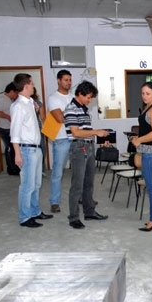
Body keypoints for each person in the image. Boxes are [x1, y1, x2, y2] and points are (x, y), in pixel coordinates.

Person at [64, 81, 110, 229]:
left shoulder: (84, 109)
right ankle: (73, 218)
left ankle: (89, 212)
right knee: (77, 185)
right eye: (89, 97)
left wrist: (97, 137)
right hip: (78, 148)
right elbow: (76, 132)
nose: (90, 100)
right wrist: (96, 132)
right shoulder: (71, 109)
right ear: (80, 94)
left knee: (89, 183)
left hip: (89, 147)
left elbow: (85, 130)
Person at [10, 73, 53, 228]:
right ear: (26, 85)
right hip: (26, 150)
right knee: (27, 186)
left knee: (36, 184)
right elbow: (14, 133)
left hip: (36, 148)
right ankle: (25, 217)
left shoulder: (30, 103)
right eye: (32, 83)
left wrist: (36, 108)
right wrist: (17, 153)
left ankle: (35, 212)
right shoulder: (18, 106)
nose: (34, 86)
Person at [131, 82, 152, 232]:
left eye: (148, 93)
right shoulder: (149, 107)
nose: (145, 96)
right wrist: (137, 137)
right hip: (149, 151)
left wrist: (139, 140)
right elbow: (148, 130)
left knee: (151, 187)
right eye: (143, 93)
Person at [46, 70, 73, 213]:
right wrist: (72, 114)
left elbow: (80, 117)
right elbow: (59, 118)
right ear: (58, 81)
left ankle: (80, 197)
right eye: (66, 80)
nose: (68, 83)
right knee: (57, 172)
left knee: (79, 171)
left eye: (70, 80)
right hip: (61, 139)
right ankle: (54, 201)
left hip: (76, 138)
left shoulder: (74, 97)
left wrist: (66, 112)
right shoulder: (53, 98)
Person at [0, 82, 20, 175]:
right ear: (11, 91)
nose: (16, 95)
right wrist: (8, 116)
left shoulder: (10, 100)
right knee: (9, 147)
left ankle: (15, 166)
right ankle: (11, 168)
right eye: (16, 93)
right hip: (4, 128)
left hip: (10, 127)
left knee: (13, 148)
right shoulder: (1, 98)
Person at [31, 88, 47, 173]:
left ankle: (32, 170)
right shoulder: (38, 103)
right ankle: (41, 169)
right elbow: (43, 118)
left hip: (27, 131)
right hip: (37, 128)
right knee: (41, 148)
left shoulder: (18, 102)